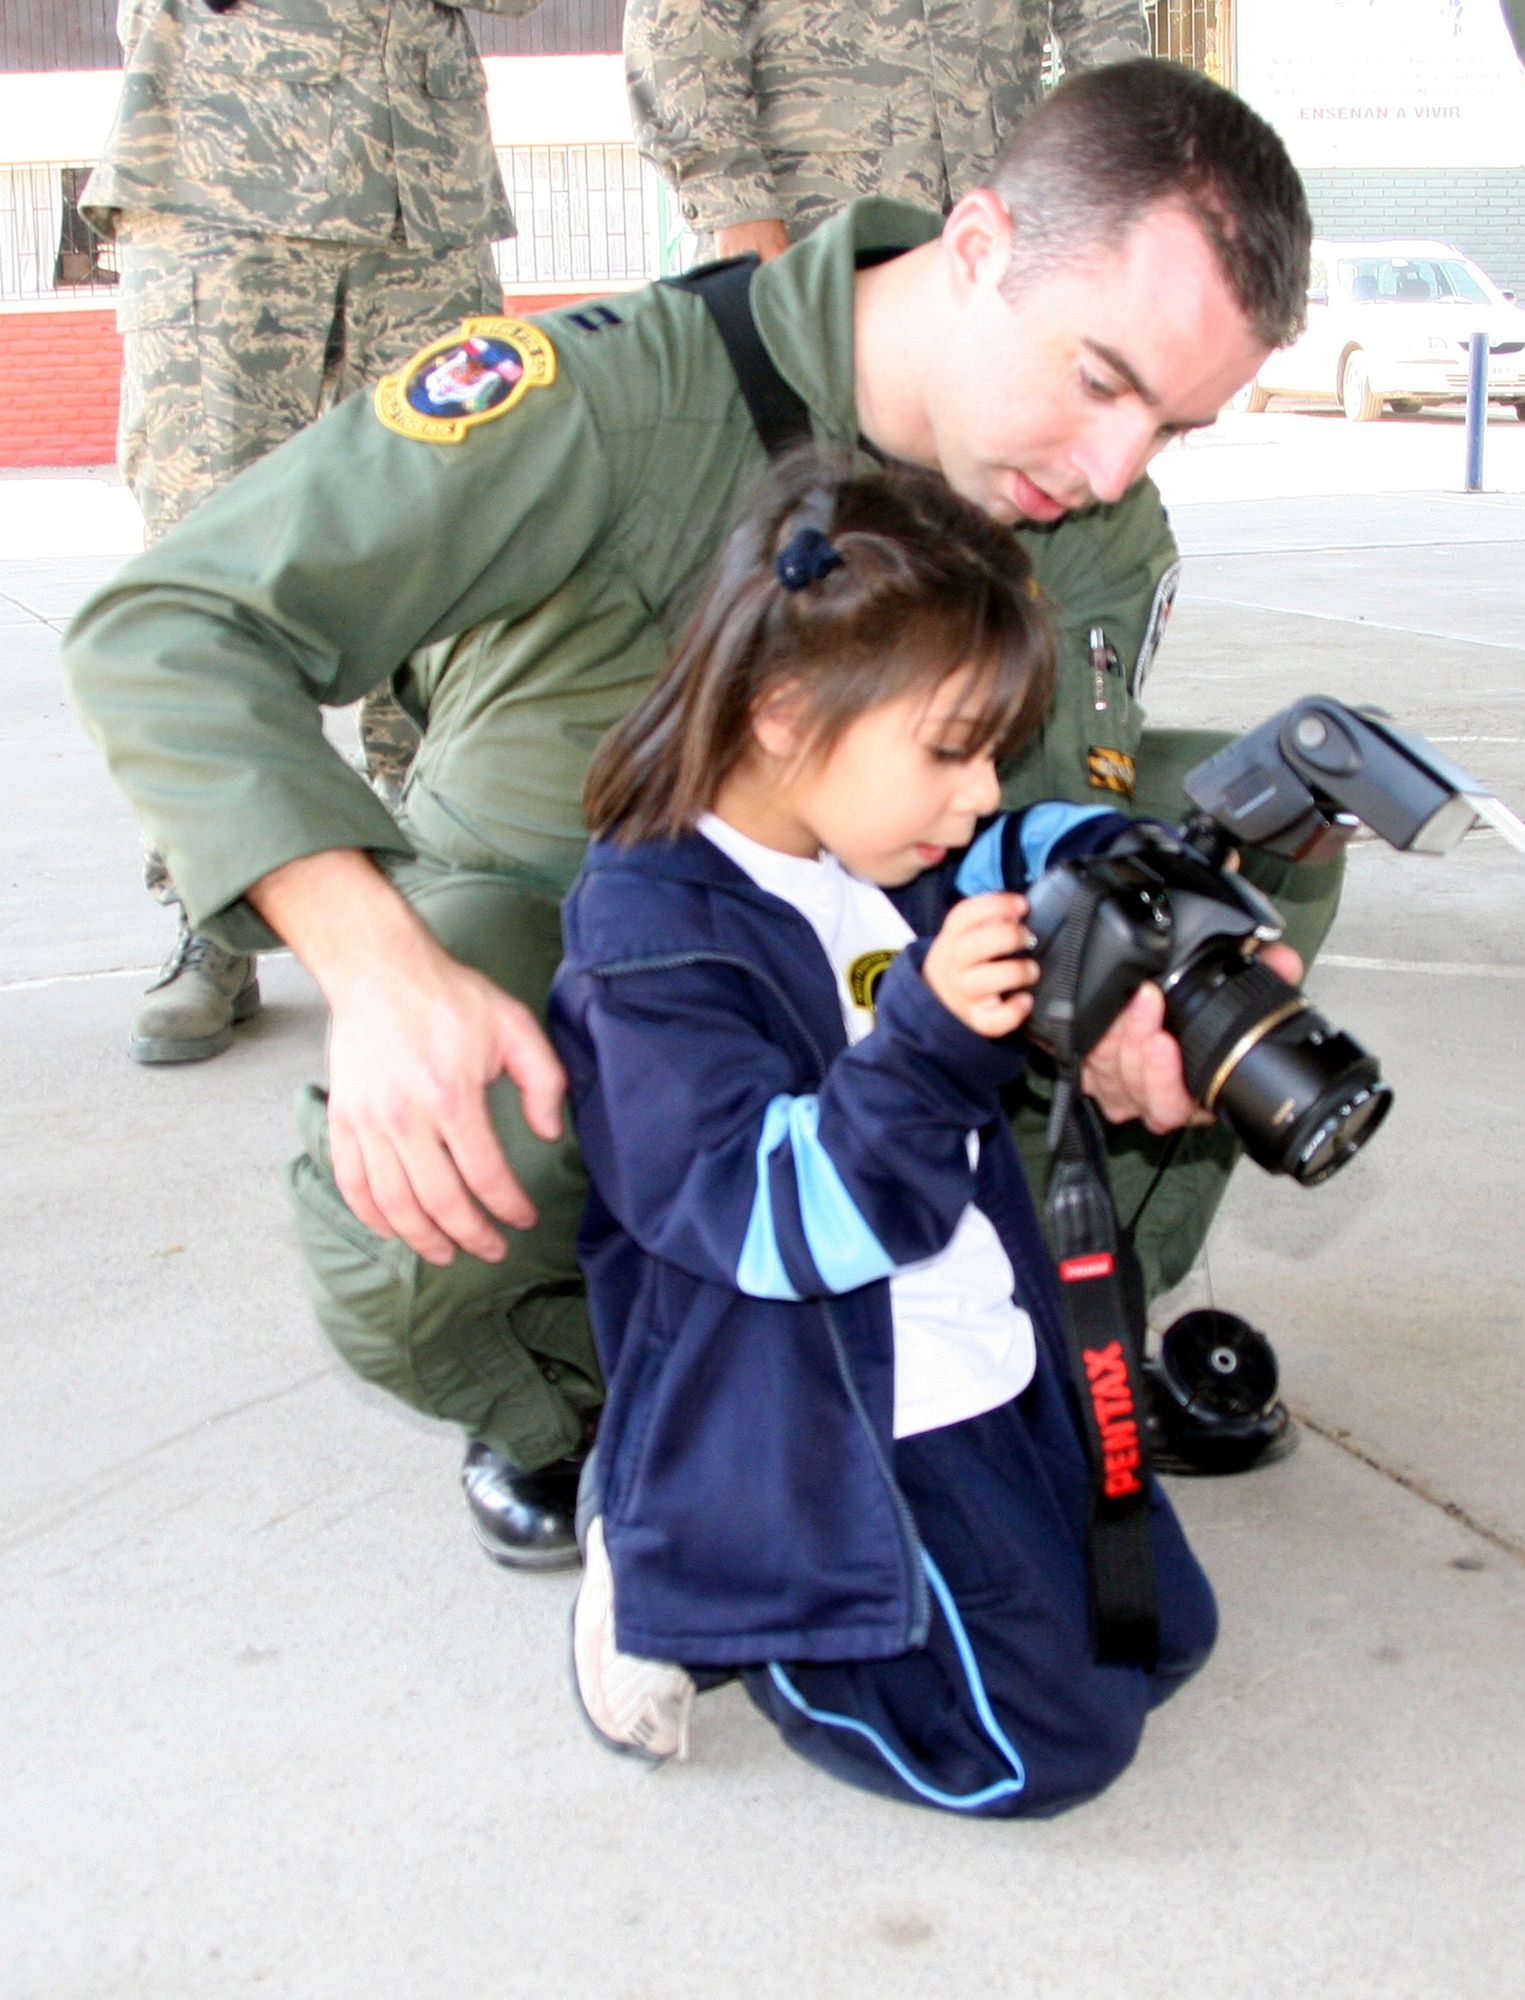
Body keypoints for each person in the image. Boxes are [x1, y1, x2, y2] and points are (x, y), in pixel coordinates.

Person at [62, 62, 1342, 1574]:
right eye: (1103, 380)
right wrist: (374, 969)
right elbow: (166, 626)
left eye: (1171, 429)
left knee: (1237, 842)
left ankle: (1034, 1339)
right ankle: (598, 1395)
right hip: (610, 956)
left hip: (887, 967)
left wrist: (1118, 998)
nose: (1114, 469)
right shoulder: (618, 399)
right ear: (982, 245)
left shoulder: (1094, 514)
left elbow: (1035, 818)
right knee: (435, 1170)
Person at [555, 451, 1237, 1806]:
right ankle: (702, 1581)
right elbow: (768, 1220)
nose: (976, 793)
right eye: (948, 750)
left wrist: (1140, 870)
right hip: (821, 1399)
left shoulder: (875, 840)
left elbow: (1020, 844)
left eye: (988, 749)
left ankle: (728, 1553)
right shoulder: (650, 941)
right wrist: (927, 1043)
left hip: (975, 1334)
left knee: (1165, 1639)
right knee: (1044, 1752)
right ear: (781, 711)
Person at [80, 0, 543, 1066]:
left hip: (416, 201)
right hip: (220, 184)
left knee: (449, 537)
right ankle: (220, 901)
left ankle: (441, 880)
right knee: (206, 551)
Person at [626, 0, 1150, 263]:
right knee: (808, 465)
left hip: (1002, 233)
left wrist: (1100, 190)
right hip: (812, 243)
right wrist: (737, 214)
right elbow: (678, 29)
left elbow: (1103, 21)